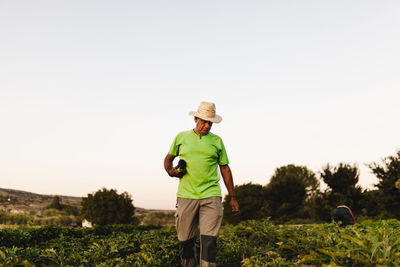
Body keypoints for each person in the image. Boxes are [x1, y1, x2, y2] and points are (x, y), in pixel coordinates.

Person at [164, 101, 240, 267]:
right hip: (186, 196)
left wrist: (232, 197)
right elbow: (168, 160)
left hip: (211, 195)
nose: (207, 125)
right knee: (185, 243)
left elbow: (225, 169)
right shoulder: (181, 137)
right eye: (204, 121)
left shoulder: (217, 141)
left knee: (209, 242)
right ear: (196, 119)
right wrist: (171, 171)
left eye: (210, 122)